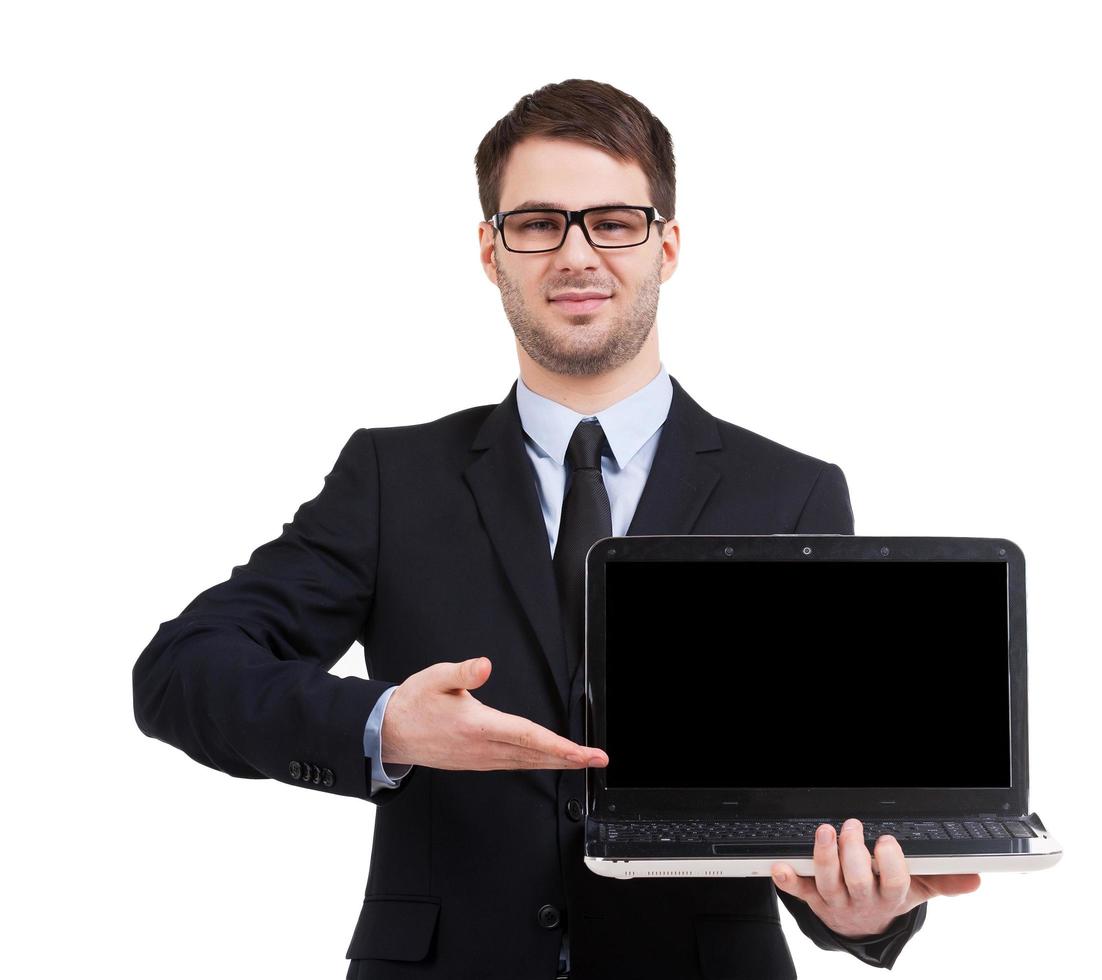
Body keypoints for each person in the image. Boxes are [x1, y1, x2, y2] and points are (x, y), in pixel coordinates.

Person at [132, 78, 980, 979]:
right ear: (491, 252)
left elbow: (818, 797)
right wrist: (386, 725)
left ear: (668, 245)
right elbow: (182, 672)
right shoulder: (392, 477)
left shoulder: (793, 494)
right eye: (537, 224)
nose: (576, 255)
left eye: (613, 221)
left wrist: (862, 912)